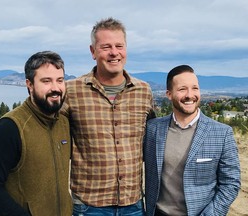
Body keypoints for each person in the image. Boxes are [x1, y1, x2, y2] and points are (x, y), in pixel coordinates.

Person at [61, 17, 154, 215]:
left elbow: (154, 137)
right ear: (93, 51)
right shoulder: (71, 91)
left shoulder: (144, 91)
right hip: (89, 206)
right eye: (106, 47)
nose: (114, 52)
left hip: (134, 205)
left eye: (119, 46)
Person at [0, 51, 72, 216]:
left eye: (60, 80)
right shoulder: (11, 126)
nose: (56, 88)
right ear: (29, 85)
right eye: (46, 81)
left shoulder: (63, 123)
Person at [144, 65, 241, 216]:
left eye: (195, 88)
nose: (190, 95)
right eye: (182, 89)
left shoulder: (222, 133)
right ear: (169, 94)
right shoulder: (152, 129)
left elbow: (231, 183)